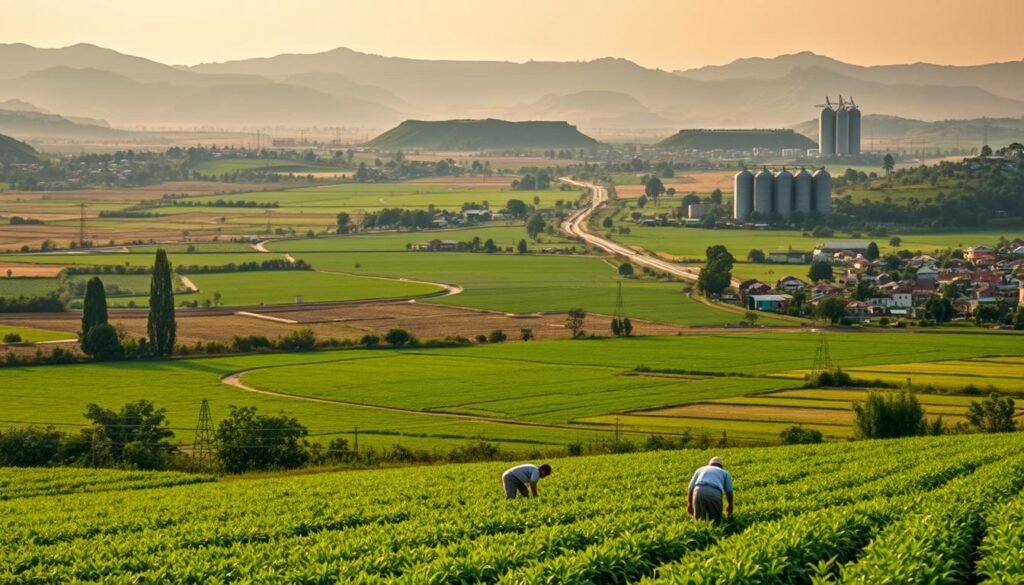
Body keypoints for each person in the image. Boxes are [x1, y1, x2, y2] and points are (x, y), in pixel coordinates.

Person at [687, 456, 734, 522]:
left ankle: (700, 530)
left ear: (709, 464)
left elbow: (690, 487)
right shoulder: (724, 472)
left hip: (698, 491)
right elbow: (729, 491)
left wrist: (689, 504)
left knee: (699, 520)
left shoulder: (700, 469)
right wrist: (730, 505)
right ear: (720, 466)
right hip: (714, 492)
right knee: (715, 520)